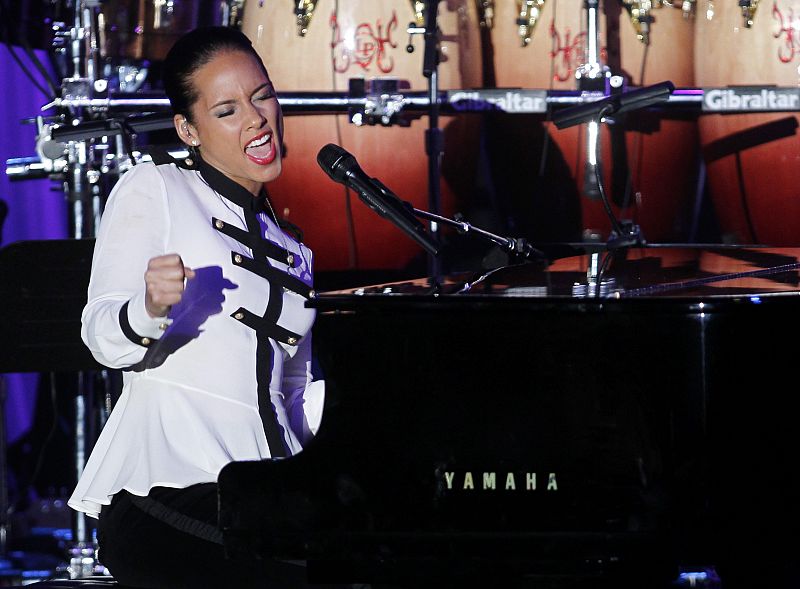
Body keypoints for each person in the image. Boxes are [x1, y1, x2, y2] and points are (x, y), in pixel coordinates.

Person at [67, 26, 325, 589]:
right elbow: (100, 334)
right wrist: (148, 306)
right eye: (228, 109)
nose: (256, 119)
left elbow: (297, 389)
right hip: (166, 495)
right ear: (189, 128)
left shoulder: (294, 248)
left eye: (262, 96)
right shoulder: (155, 187)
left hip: (265, 495)